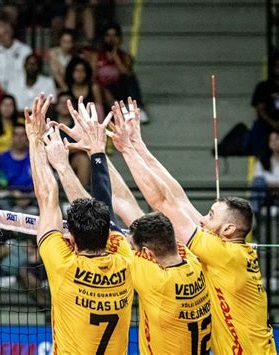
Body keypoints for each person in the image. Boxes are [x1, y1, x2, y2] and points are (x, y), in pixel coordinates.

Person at [109, 97, 276, 353]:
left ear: (229, 229)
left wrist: (127, 150)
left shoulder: (224, 255)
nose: (202, 219)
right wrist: (139, 146)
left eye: (210, 215)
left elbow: (163, 202)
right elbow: (178, 198)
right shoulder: (228, 249)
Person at [47, 98, 212, 353]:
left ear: (146, 254)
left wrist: (93, 153)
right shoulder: (194, 260)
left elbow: (104, 217)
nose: (126, 244)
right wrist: (97, 151)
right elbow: (124, 205)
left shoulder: (150, 276)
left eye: (132, 244)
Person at [25, 93, 133, 353]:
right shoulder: (125, 257)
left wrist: (36, 140)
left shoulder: (63, 264)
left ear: (70, 238)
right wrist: (95, 151)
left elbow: (47, 197)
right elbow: (106, 207)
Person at [92, 23, 148, 123]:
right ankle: (119, 111)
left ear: (119, 38)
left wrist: (115, 55)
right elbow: (92, 76)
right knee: (99, 87)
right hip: (102, 90)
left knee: (131, 77)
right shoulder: (97, 56)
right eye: (108, 35)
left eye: (114, 35)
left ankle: (137, 109)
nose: (111, 39)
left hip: (119, 88)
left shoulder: (126, 56)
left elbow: (125, 72)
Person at [0, 20, 32, 91]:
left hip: (22, 90)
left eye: (5, 34)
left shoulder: (25, 50)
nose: (3, 38)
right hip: (0, 93)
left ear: (11, 32)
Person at [250, 53, 279, 156]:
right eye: (277, 66)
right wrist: (273, 123)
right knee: (259, 130)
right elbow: (260, 108)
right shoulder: (264, 87)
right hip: (267, 126)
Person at [251, 131, 279, 212]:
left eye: (277, 139)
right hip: (267, 194)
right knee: (258, 182)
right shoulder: (262, 161)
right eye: (271, 140)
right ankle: (255, 215)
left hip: (271, 188)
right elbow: (258, 180)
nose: (274, 143)